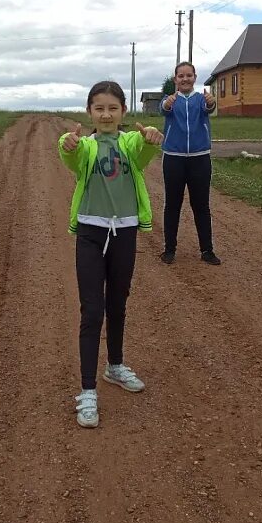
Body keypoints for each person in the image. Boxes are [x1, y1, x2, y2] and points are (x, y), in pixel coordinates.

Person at [58, 81, 164, 428]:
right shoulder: (86, 146)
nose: (106, 114)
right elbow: (70, 156)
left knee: (118, 302)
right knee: (92, 310)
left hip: (125, 232)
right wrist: (68, 143)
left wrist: (150, 138)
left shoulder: (129, 142)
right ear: (89, 112)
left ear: (123, 112)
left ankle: (114, 366)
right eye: (99, 108)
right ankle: (88, 390)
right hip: (90, 233)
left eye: (112, 108)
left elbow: (144, 152)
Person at [158, 61, 220, 265]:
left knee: (201, 205)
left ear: (195, 77)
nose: (185, 79)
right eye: (181, 76)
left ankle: (207, 250)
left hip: (200, 158)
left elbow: (210, 108)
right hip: (173, 158)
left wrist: (211, 102)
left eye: (189, 75)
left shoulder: (202, 99)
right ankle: (169, 250)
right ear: (175, 79)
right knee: (172, 205)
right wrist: (167, 104)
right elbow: (164, 109)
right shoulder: (170, 100)